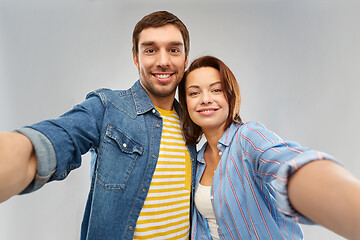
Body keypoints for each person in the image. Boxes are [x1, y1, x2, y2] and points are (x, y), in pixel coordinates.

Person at [0, 11, 197, 240]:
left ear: (185, 59)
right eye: (150, 50)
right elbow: (55, 140)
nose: (163, 61)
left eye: (173, 49)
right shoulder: (107, 107)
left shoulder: (191, 122)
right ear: (136, 58)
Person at [178, 55, 360, 240]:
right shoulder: (196, 160)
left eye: (216, 90)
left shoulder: (248, 138)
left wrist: (348, 205)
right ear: (186, 103)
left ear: (230, 96)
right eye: (194, 93)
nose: (205, 99)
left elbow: (289, 163)